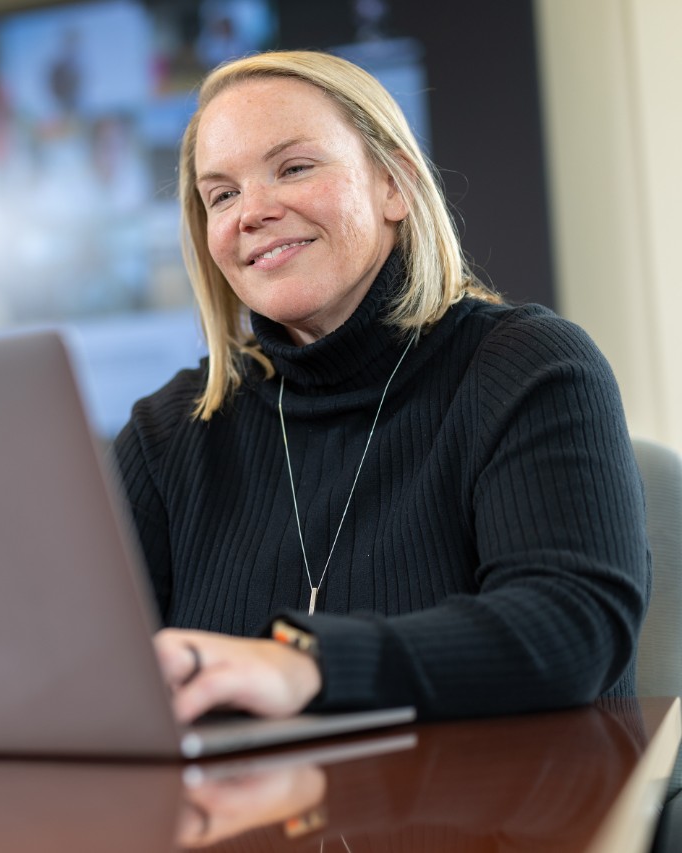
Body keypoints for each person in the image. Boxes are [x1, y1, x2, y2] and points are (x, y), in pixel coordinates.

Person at [114, 50, 649, 724]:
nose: (251, 212)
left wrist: (306, 663)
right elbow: (85, 669)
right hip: (242, 824)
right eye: (221, 194)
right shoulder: (166, 433)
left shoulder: (531, 367)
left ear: (394, 184)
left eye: (295, 167)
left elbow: (573, 628)